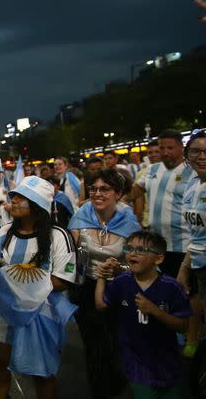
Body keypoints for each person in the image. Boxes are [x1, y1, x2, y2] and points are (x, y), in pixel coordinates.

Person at [0, 176, 77, 399]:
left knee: (42, 373)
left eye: (21, 197)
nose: (14, 201)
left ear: (37, 204)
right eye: (14, 196)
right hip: (5, 312)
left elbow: (62, 281)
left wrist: (16, 283)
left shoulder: (58, 236)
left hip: (42, 315)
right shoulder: (4, 232)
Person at [67, 169, 140, 398]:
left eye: (104, 189)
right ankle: (99, 390)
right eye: (93, 189)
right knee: (94, 345)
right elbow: (68, 254)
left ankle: (118, 382)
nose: (97, 194)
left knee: (117, 342)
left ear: (118, 193)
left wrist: (120, 269)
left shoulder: (130, 222)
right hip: (86, 289)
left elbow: (139, 264)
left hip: (118, 289)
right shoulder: (80, 216)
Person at [128, 129, 200, 354]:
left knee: (188, 294)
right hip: (158, 247)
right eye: (162, 148)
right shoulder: (152, 170)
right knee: (164, 292)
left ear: (181, 148)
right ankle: (170, 334)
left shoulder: (192, 172)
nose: (165, 152)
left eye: (171, 147)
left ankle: (192, 337)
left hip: (184, 246)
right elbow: (134, 192)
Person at [95, 231, 192, 397]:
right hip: (136, 362)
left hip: (167, 363)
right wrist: (101, 277)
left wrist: (155, 311)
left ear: (158, 259)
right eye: (129, 248)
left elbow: (184, 326)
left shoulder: (171, 287)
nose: (132, 253)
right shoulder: (122, 282)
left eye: (141, 250)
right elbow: (101, 305)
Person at [176, 130, 206, 337]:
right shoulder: (192, 184)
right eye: (195, 151)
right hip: (199, 266)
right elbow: (196, 235)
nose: (202, 157)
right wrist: (185, 268)